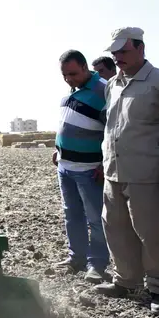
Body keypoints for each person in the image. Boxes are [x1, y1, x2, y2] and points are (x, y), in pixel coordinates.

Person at [93, 26, 159, 316]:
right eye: (114, 53)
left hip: (150, 171)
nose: (118, 57)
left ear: (141, 48)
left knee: (155, 231)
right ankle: (126, 280)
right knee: (115, 228)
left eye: (123, 51)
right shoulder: (112, 85)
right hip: (114, 170)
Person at [51, 50, 109, 284]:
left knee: (95, 218)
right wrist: (58, 148)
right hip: (65, 167)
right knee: (71, 214)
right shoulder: (71, 92)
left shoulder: (104, 90)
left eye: (73, 74)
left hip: (89, 168)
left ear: (86, 67)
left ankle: (97, 264)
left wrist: (105, 164)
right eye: (64, 75)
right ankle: (76, 258)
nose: (68, 79)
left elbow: (113, 131)